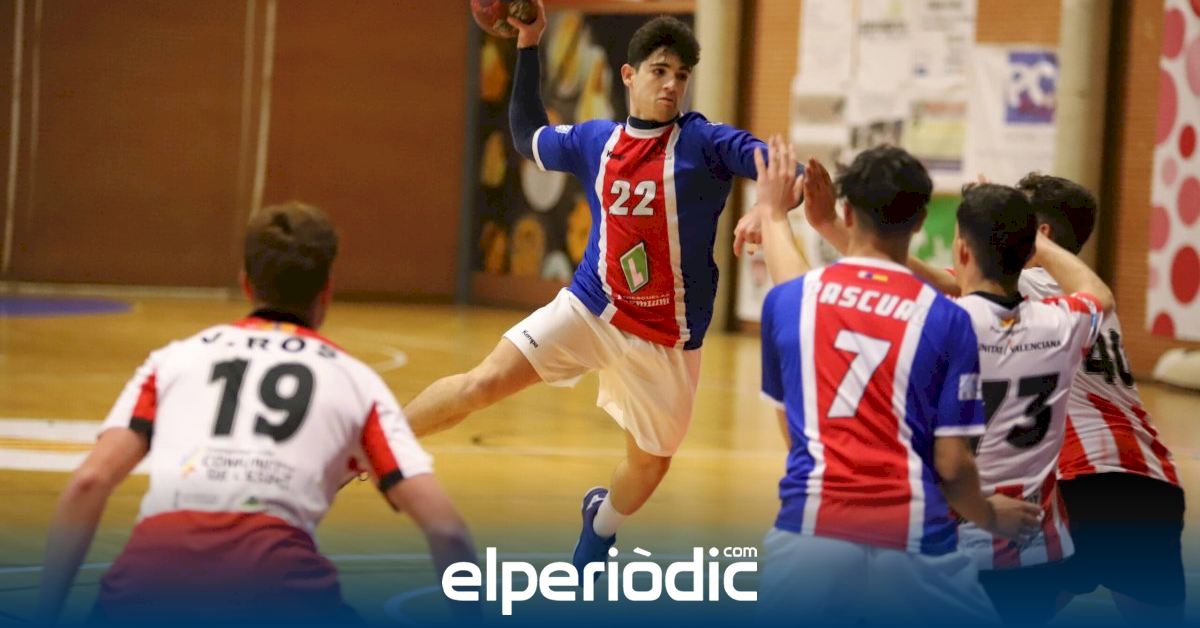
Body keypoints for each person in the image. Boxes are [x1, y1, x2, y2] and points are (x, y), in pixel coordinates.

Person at [402, 2, 792, 571]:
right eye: (659, 71)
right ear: (629, 75)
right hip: (592, 307)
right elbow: (526, 136)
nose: (671, 84)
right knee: (481, 382)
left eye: (681, 75)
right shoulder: (596, 141)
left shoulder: (704, 142)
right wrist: (529, 43)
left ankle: (601, 522)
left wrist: (768, 204)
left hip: (666, 338)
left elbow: (786, 172)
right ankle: (373, 445)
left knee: (650, 466)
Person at [34, 203, 477, 626]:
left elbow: (89, 481)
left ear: (246, 284)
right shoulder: (355, 382)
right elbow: (448, 530)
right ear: (327, 290)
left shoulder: (171, 361)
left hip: (145, 589)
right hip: (278, 589)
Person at [799, 173, 1116, 623]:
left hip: (954, 551)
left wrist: (809, 222)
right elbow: (1098, 294)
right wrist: (1037, 242)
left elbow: (889, 281)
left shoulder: (936, 324)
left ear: (963, 251)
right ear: (1029, 250)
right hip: (1037, 554)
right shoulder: (1061, 323)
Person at [753, 139, 1040, 624]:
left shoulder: (786, 303)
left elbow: (795, 429)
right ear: (922, 221)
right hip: (913, 539)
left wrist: (772, 213)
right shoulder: (947, 319)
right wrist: (990, 516)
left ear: (847, 213)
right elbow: (952, 465)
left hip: (810, 531)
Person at [1015, 174, 1186, 624]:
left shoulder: (1026, 285)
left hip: (1084, 483)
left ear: (1040, 234)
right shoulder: (1086, 294)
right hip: (1151, 479)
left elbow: (928, 282)